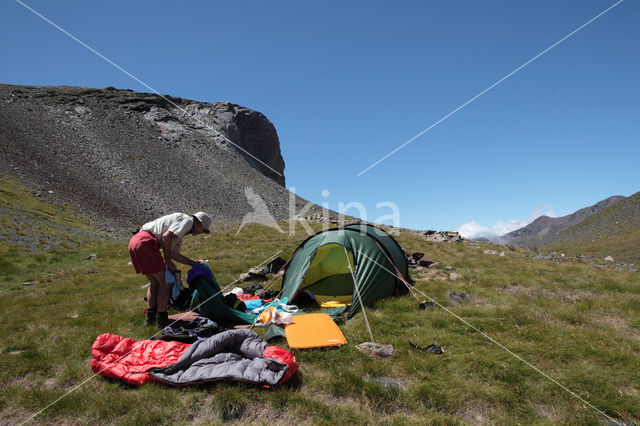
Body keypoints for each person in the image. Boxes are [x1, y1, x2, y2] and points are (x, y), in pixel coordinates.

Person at [128, 212, 212, 328]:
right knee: (167, 282)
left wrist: (193, 263)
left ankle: (150, 319)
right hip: (146, 243)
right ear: (198, 222)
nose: (202, 232)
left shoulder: (180, 231)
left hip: (136, 242)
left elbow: (173, 253)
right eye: (203, 229)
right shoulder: (187, 221)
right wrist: (168, 261)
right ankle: (161, 319)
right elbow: (166, 237)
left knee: (155, 283)